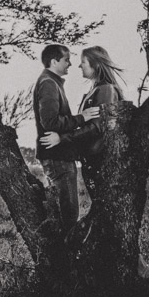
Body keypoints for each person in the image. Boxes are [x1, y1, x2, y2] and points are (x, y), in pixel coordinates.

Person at [40, 46, 124, 206]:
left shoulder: (106, 90)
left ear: (96, 65)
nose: (79, 66)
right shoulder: (97, 90)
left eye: (83, 62)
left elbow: (98, 128)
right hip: (93, 159)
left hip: (100, 159)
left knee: (103, 205)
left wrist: (62, 139)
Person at [33, 44, 100, 232]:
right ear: (54, 62)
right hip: (58, 157)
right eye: (66, 60)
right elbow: (50, 122)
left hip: (59, 156)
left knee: (65, 214)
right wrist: (82, 118)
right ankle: (67, 258)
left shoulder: (51, 82)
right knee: (69, 217)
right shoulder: (48, 83)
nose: (70, 64)